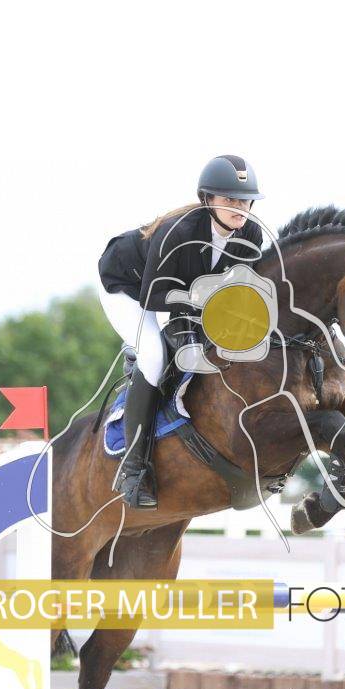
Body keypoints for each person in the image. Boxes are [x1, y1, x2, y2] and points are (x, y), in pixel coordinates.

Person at [97, 155, 265, 508]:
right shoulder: (179, 232)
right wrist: (201, 303)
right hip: (128, 288)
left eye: (245, 201)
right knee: (154, 355)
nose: (240, 208)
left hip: (178, 295)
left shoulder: (250, 234)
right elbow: (153, 296)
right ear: (208, 200)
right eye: (230, 200)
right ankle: (133, 471)